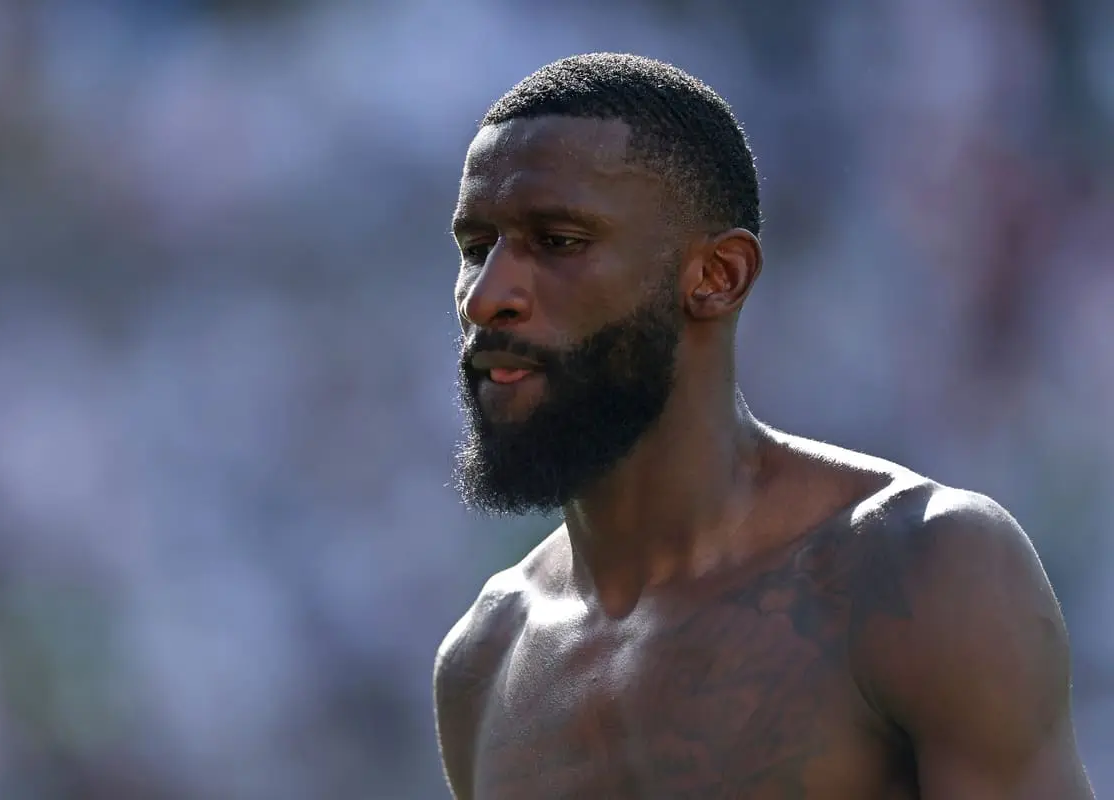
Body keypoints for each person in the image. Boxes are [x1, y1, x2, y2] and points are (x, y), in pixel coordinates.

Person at [433, 53, 1094, 799]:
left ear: (718, 277)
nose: (486, 296)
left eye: (558, 242)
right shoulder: (484, 662)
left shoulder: (920, 569)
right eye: (475, 248)